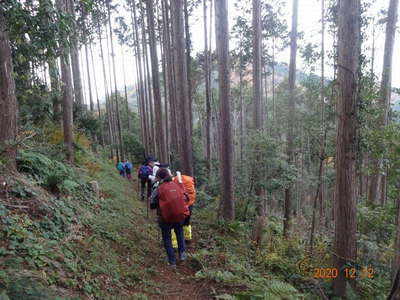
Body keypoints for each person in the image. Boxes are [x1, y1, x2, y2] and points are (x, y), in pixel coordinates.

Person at [150, 168, 189, 269]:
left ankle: (172, 262)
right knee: (179, 233)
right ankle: (182, 255)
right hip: (180, 215)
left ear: (159, 177)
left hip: (165, 218)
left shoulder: (158, 188)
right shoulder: (177, 184)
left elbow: (152, 204)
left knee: (167, 238)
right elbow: (186, 197)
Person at [171, 171, 196, 248]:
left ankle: (175, 244)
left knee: (174, 225)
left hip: (178, 206)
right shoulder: (190, 185)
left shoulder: (174, 181)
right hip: (189, 205)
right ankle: (188, 238)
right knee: (187, 222)